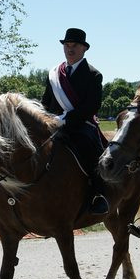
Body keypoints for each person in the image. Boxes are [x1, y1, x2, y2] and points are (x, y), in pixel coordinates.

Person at [40, 28, 109, 215]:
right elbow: (45, 102)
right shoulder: (54, 74)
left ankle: (97, 195)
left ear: (84, 49)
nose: (70, 49)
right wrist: (44, 118)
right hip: (53, 125)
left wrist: (66, 119)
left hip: (80, 126)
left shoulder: (94, 75)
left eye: (74, 46)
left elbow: (91, 107)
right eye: (67, 46)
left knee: (92, 151)